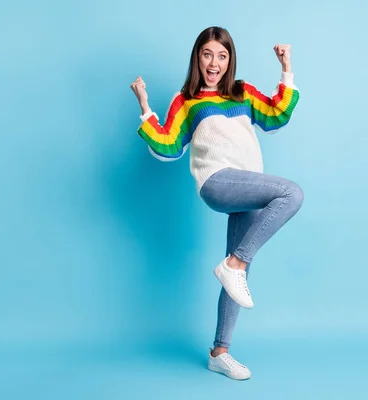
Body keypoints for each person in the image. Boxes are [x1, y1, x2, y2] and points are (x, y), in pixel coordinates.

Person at [129, 26, 303, 380]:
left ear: (229, 60)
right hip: (218, 181)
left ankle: (219, 352)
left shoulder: (242, 92)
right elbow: (168, 145)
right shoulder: (187, 100)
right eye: (208, 54)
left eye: (222, 56)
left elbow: (275, 116)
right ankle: (235, 264)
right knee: (291, 193)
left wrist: (286, 69)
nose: (214, 62)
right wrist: (146, 108)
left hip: (249, 186)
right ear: (198, 57)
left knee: (237, 277)